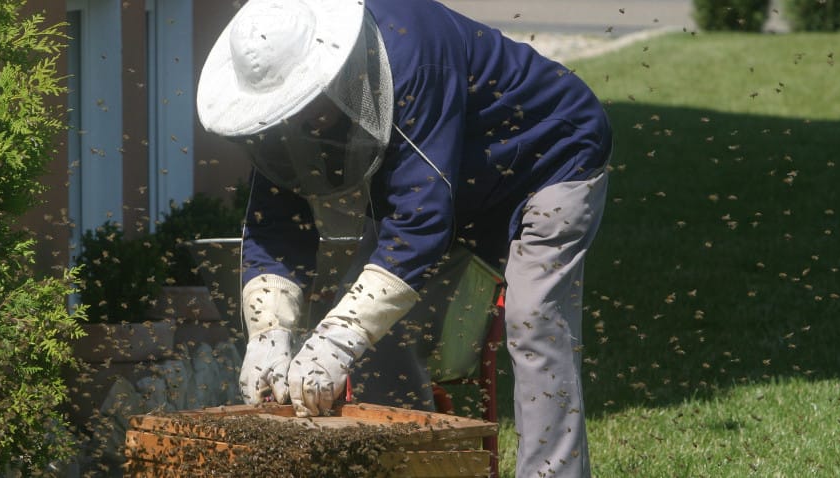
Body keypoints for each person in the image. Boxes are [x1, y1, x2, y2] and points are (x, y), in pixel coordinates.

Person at [196, 0, 612, 476]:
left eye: (307, 107)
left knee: (533, 321)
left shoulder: (411, 58)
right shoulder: (287, 113)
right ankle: (419, 465)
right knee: (378, 339)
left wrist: (335, 341)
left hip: (549, 156)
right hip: (443, 179)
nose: (303, 122)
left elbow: (419, 224)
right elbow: (275, 225)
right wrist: (269, 331)